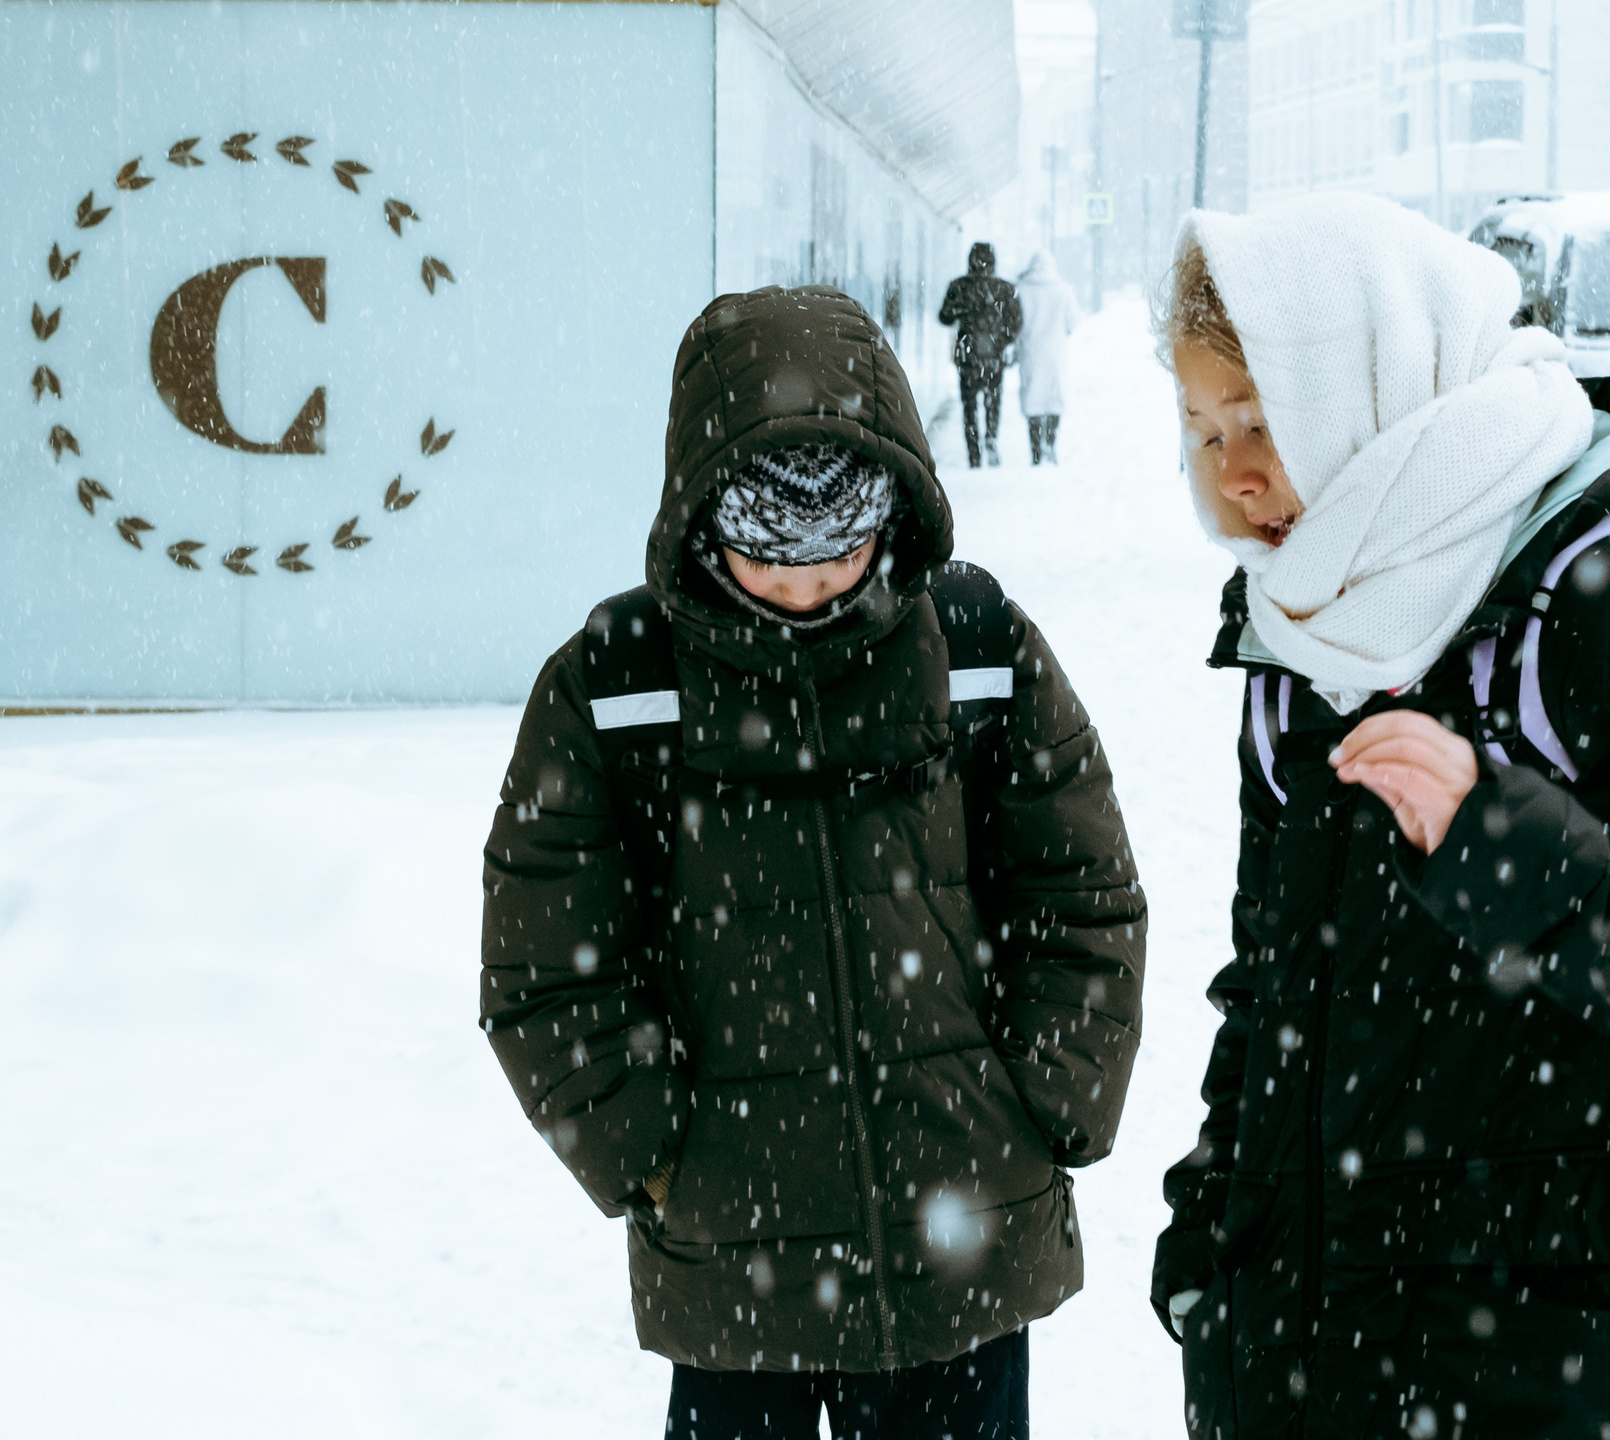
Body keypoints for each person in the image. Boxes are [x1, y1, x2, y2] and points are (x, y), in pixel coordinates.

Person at [1147, 194, 1610, 1439]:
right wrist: (1217, 1229)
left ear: (1374, 388)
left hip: (1594, 1352)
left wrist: (1496, 841)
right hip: (1354, 1344)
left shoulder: (1608, 600)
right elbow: (1278, 978)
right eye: (1200, 430)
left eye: (1261, 421)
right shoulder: (1309, 631)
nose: (1232, 474)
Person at [480, 284, 1146, 1440]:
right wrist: (649, 1155)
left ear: (890, 516)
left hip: (965, 1237)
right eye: (767, 558)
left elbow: (1081, 896)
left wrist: (1052, 1102)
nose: (805, 591)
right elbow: (544, 968)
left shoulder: (977, 648)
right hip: (737, 1262)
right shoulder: (618, 685)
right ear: (702, 517)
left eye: (837, 556)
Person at [939, 242, 1023, 468]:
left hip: (968, 357)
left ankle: (974, 454)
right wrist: (1001, 339)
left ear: (970, 260)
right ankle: (991, 436)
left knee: (969, 407)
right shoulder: (1006, 289)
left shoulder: (959, 286)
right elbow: (1016, 323)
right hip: (994, 358)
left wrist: (961, 310)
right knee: (993, 400)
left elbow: (944, 317)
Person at [1011, 252, 1083, 466]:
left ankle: (1035, 450)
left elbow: (1014, 324)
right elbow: (1074, 322)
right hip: (1055, 354)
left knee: (1032, 400)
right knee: (1053, 399)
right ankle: (1050, 443)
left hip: (1030, 353)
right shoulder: (1063, 290)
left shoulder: (1020, 289)